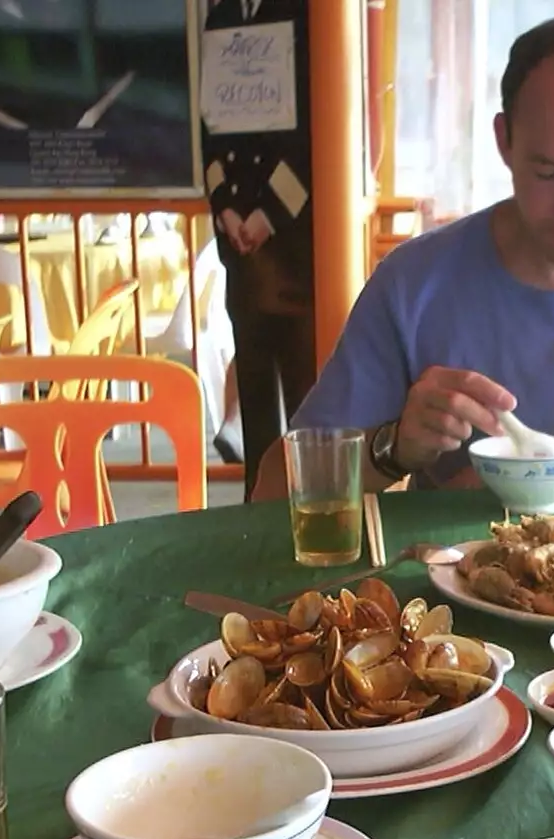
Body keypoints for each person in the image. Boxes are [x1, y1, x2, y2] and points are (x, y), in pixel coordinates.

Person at [252, 11, 554, 501]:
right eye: (547, 171)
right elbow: (275, 490)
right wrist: (394, 446)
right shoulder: (414, 282)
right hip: (458, 573)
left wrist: (534, 468)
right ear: (504, 141)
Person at [200, 0, 318, 497]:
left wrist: (269, 213)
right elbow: (210, 129)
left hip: (290, 239)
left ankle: (308, 492)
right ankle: (258, 494)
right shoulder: (222, 15)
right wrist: (225, 206)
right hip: (238, 241)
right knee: (251, 370)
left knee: (301, 379)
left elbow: (315, 129)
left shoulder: (305, 12)